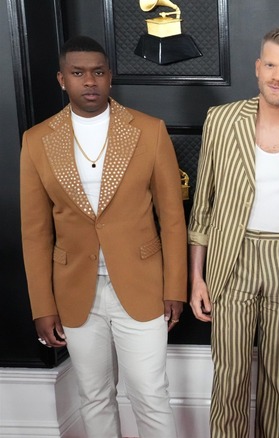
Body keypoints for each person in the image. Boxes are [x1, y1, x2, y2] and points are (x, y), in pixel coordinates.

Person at [19, 36, 186, 437]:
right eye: (78, 73)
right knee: (93, 396)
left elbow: (173, 217)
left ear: (110, 77)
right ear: (63, 80)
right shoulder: (37, 140)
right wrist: (41, 304)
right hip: (75, 290)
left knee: (150, 393)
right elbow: (34, 232)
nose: (89, 81)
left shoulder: (148, 130)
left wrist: (174, 288)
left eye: (97, 72)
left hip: (142, 285)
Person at [187, 27, 279, 437]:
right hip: (232, 258)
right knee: (230, 376)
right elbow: (203, 206)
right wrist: (197, 277)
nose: (277, 75)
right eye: (270, 64)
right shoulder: (220, 121)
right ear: (257, 68)